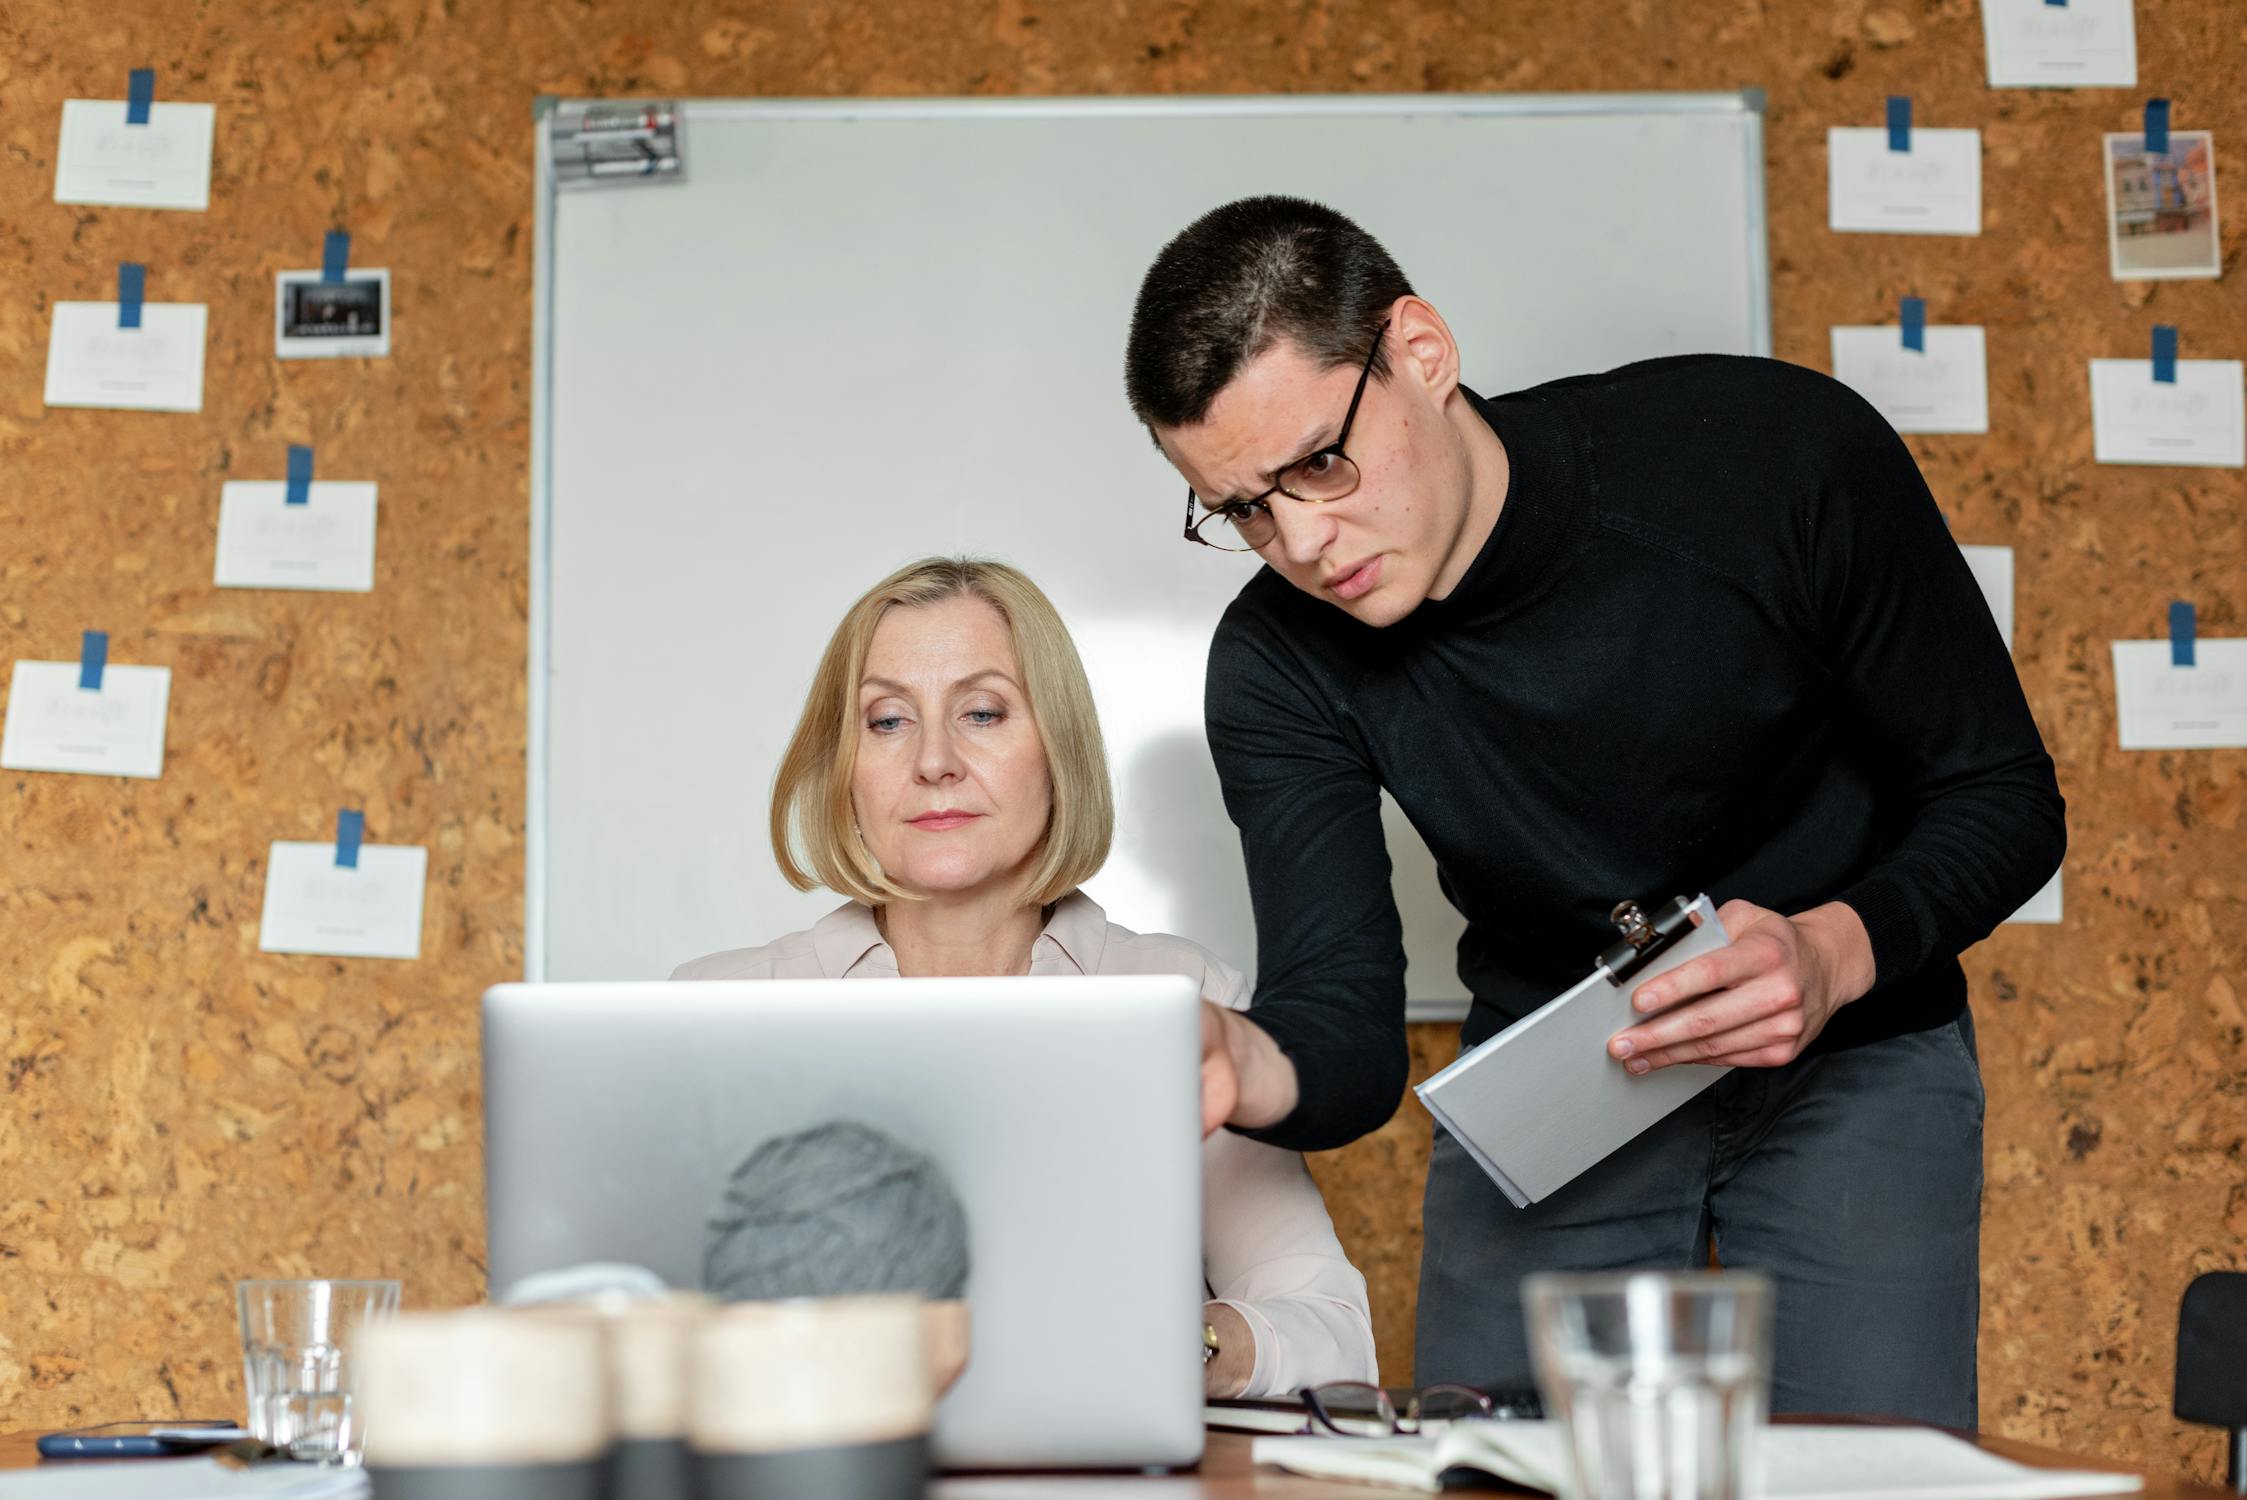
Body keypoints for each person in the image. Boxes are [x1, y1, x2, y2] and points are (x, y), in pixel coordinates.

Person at [1122, 196, 2065, 1427]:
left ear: (1421, 352)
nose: (1300, 541)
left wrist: (1834, 954)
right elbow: (1344, 1024)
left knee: (1873, 1479)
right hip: (1556, 1085)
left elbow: (2003, 797)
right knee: (1490, 1471)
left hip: (1861, 1040)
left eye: (1318, 463)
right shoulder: (1276, 663)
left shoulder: (1771, 455)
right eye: (1243, 507)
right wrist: (1241, 1059)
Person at [672, 556, 1378, 1399]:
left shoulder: (1181, 999)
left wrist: (1175, 1343)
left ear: (1057, 746)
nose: (934, 760)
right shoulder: (718, 1010)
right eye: (888, 721)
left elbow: (1335, 1337)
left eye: (981, 712)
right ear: (844, 768)